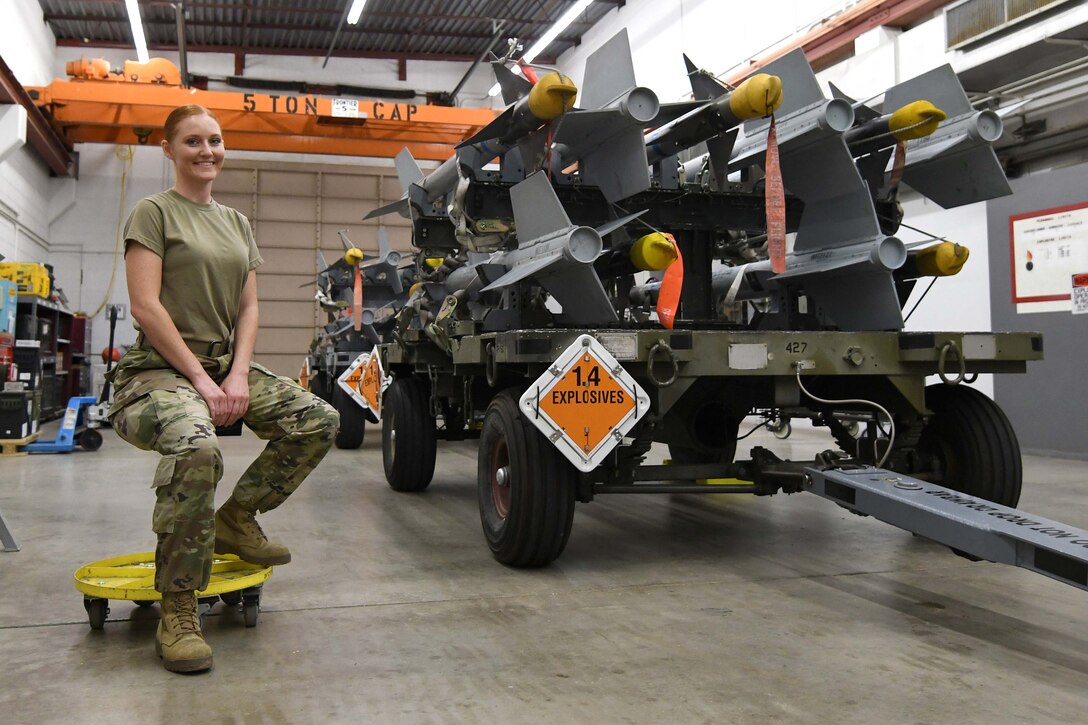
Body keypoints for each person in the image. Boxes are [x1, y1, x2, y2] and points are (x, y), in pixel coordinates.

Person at [107, 104, 340, 674]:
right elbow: (145, 305)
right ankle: (179, 608)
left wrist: (237, 374)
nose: (206, 150)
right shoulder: (153, 212)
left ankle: (237, 519)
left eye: (214, 140)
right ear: (169, 150)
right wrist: (200, 379)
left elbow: (250, 305)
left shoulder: (236, 222)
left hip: (220, 367)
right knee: (198, 447)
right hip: (155, 373)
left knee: (317, 420)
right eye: (192, 141)